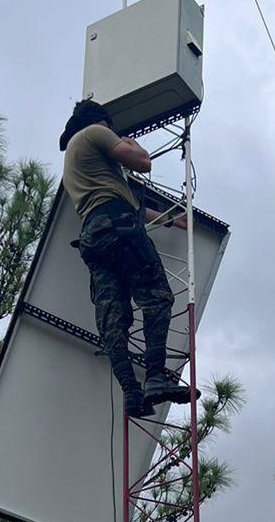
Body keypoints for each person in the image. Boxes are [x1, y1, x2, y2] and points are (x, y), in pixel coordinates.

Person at [59, 99, 190, 418]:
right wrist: (126, 140)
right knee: (157, 297)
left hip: (96, 237)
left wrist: (171, 219)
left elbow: (124, 205)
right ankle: (156, 378)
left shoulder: (76, 163)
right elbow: (142, 162)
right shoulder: (95, 133)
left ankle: (132, 392)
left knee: (113, 319)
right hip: (120, 229)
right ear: (102, 121)